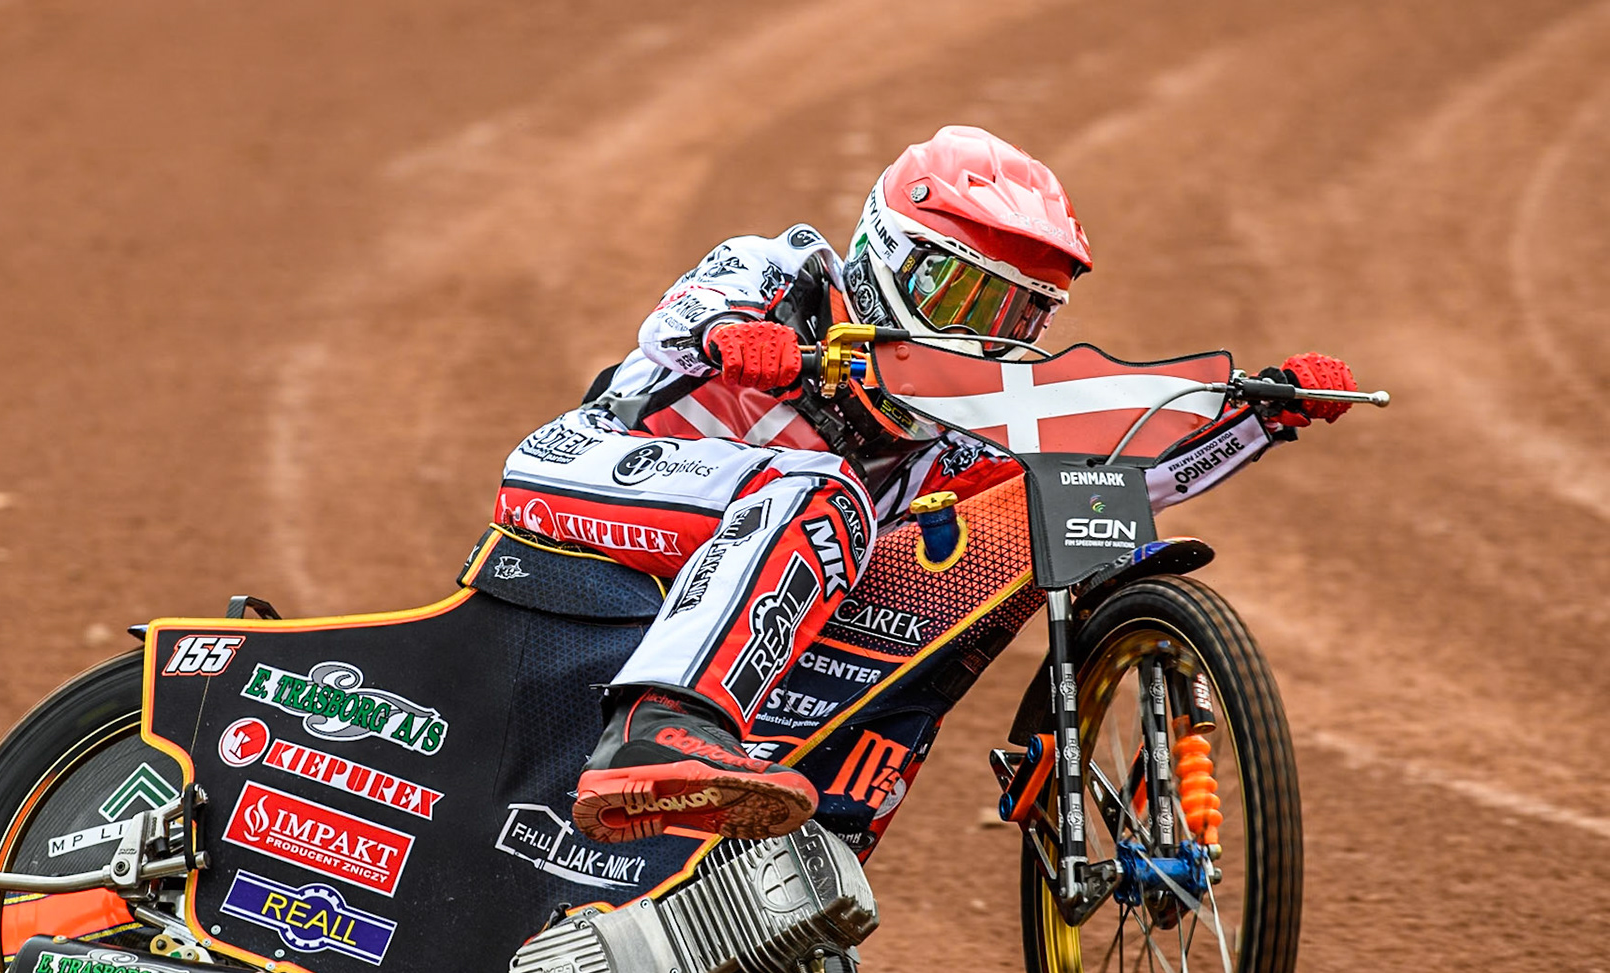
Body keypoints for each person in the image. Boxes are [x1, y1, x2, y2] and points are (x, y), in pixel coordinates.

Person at [494, 125, 1356, 846]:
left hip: (741, 539)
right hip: (592, 473)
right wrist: (738, 336)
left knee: (1036, 509)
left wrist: (1264, 415)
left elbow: (1123, 478)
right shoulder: (787, 273)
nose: (981, 340)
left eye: (1014, 317)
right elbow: (681, 318)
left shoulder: (959, 429)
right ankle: (656, 729)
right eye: (965, 300)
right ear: (891, 255)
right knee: (821, 492)